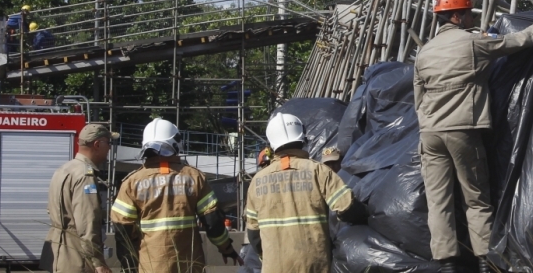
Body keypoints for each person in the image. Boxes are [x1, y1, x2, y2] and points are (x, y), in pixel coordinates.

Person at [413, 0, 533, 273]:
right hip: (463, 130)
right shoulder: (473, 43)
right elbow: (520, 40)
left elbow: (418, 100)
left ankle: (447, 265)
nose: (471, 18)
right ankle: (484, 262)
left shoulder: (424, 53)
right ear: (457, 16)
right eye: (469, 13)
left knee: (438, 200)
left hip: (429, 134)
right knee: (476, 199)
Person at [111, 118, 241, 272]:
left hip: (150, 267)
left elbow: (123, 232)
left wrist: (129, 268)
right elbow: (212, 222)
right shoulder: (194, 177)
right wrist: (226, 249)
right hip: (189, 266)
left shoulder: (131, 183)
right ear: (176, 142)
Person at [245, 113, 366, 273]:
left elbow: (254, 234)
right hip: (314, 266)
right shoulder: (319, 171)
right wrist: (368, 215)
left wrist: (268, 256)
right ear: (302, 137)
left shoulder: (256, 181)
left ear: (272, 143)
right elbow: (348, 208)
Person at [42, 123, 118, 273]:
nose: (109, 148)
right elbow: (87, 223)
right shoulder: (85, 175)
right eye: (108, 143)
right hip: (76, 258)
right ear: (97, 144)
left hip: (57, 254)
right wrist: (97, 262)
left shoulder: (64, 169)